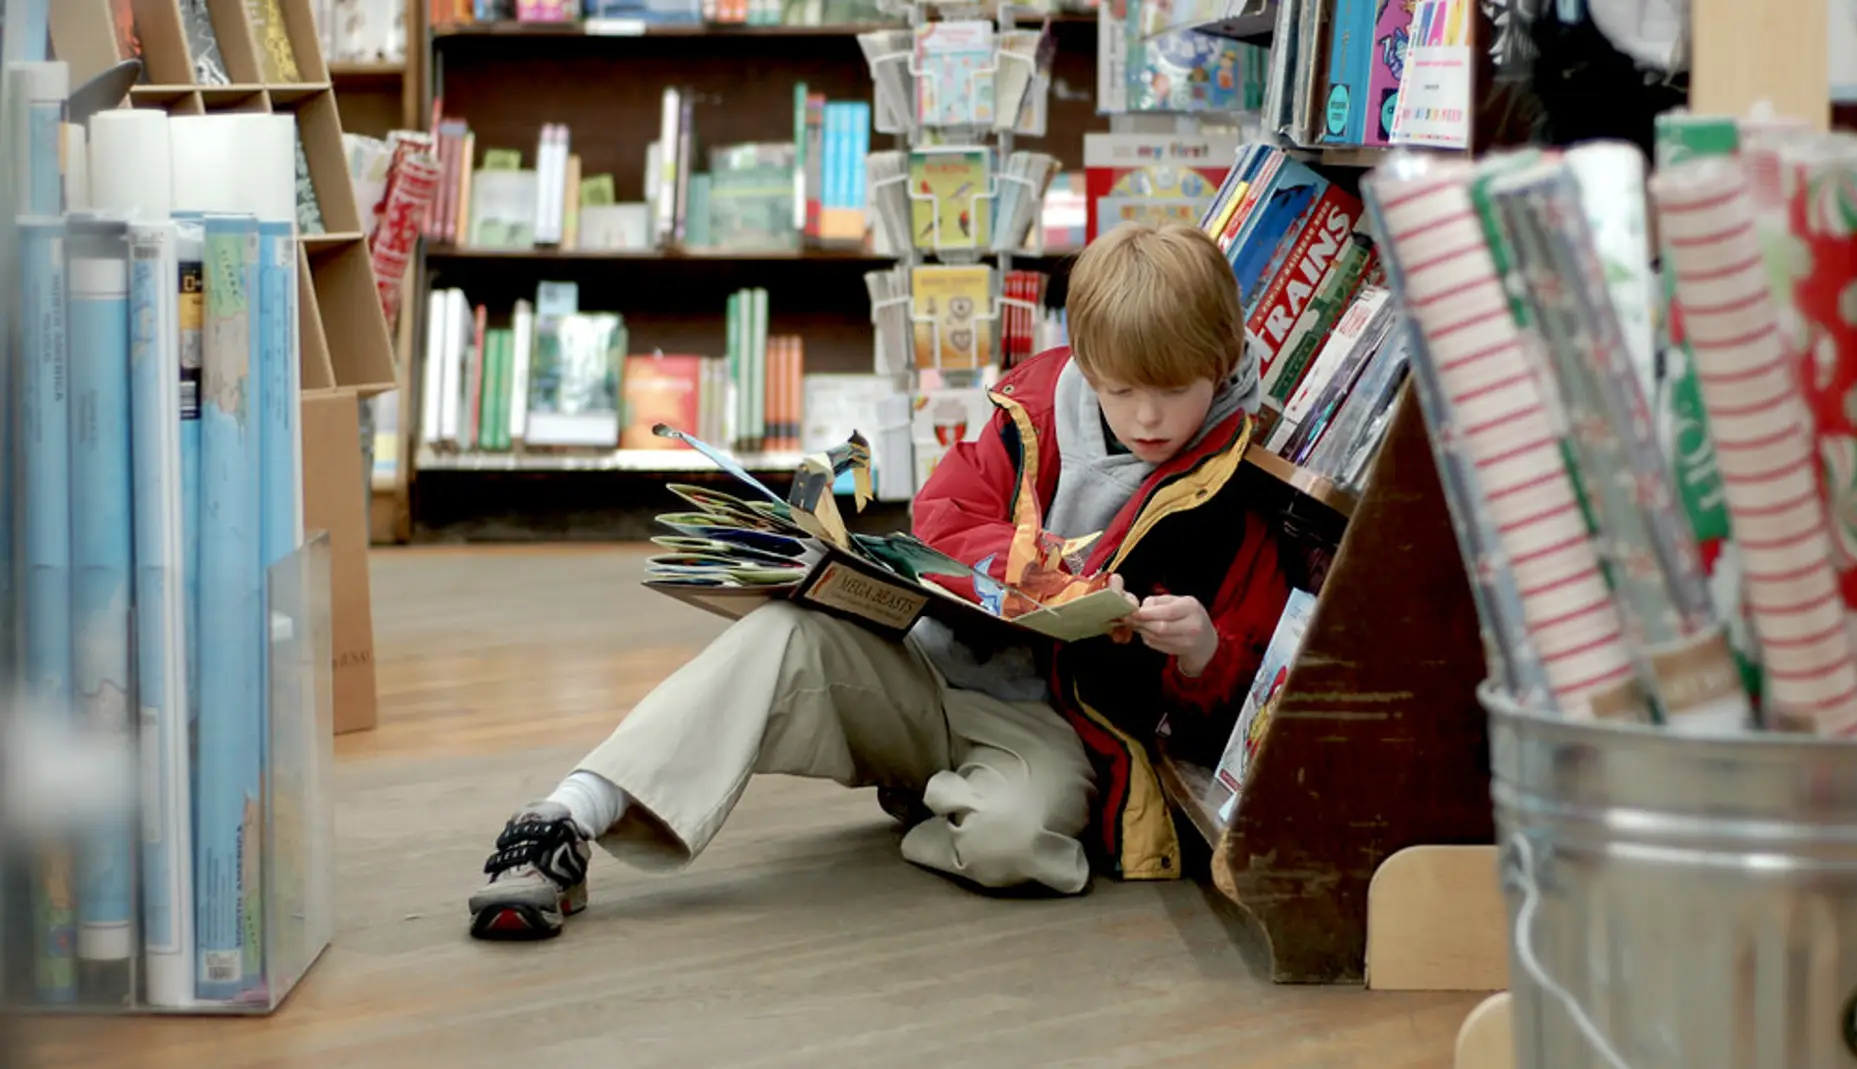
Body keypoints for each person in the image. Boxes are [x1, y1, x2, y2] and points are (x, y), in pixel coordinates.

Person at [467, 222, 1292, 939]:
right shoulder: (1038, 411)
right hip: (928, 669)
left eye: (1172, 393)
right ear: (1085, 362)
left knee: (1012, 844)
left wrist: (1199, 650)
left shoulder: (1237, 485)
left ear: (1219, 367)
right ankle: (565, 817)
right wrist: (1040, 569)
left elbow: (1244, 689)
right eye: (1120, 391)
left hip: (1049, 727)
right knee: (781, 636)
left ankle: (936, 797)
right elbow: (942, 515)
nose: (1146, 417)